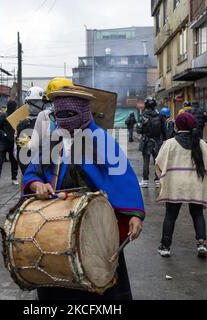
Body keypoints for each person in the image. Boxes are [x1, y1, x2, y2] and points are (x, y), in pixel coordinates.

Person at [22, 86, 145, 300]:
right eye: (59, 115)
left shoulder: (101, 139)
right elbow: (33, 172)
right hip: (55, 223)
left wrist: (135, 214)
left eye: (69, 115)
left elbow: (122, 177)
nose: (64, 120)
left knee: (98, 285)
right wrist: (36, 185)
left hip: (94, 224)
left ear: (82, 112)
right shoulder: (52, 140)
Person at [155, 112, 207, 258]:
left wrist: (163, 181)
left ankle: (165, 247)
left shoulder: (170, 143)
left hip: (176, 185)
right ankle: (201, 244)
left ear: (178, 126)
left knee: (170, 215)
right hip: (196, 185)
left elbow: (158, 164)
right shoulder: (202, 144)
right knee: (197, 214)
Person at [15, 86, 46, 174]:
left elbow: (19, 154)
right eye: (30, 102)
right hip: (37, 171)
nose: (31, 105)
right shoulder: (49, 121)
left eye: (34, 102)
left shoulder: (22, 124)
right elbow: (22, 152)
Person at [137, 97, 165, 188]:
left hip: (146, 141)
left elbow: (139, 130)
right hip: (157, 141)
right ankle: (158, 181)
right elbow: (164, 130)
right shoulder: (159, 115)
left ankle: (145, 181)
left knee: (146, 162)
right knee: (158, 161)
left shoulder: (143, 115)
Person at [0, 103, 19, 188]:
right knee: (0, 161)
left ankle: (14, 178)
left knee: (14, 161)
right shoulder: (3, 116)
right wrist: (3, 133)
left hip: (13, 142)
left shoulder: (16, 116)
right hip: (3, 142)